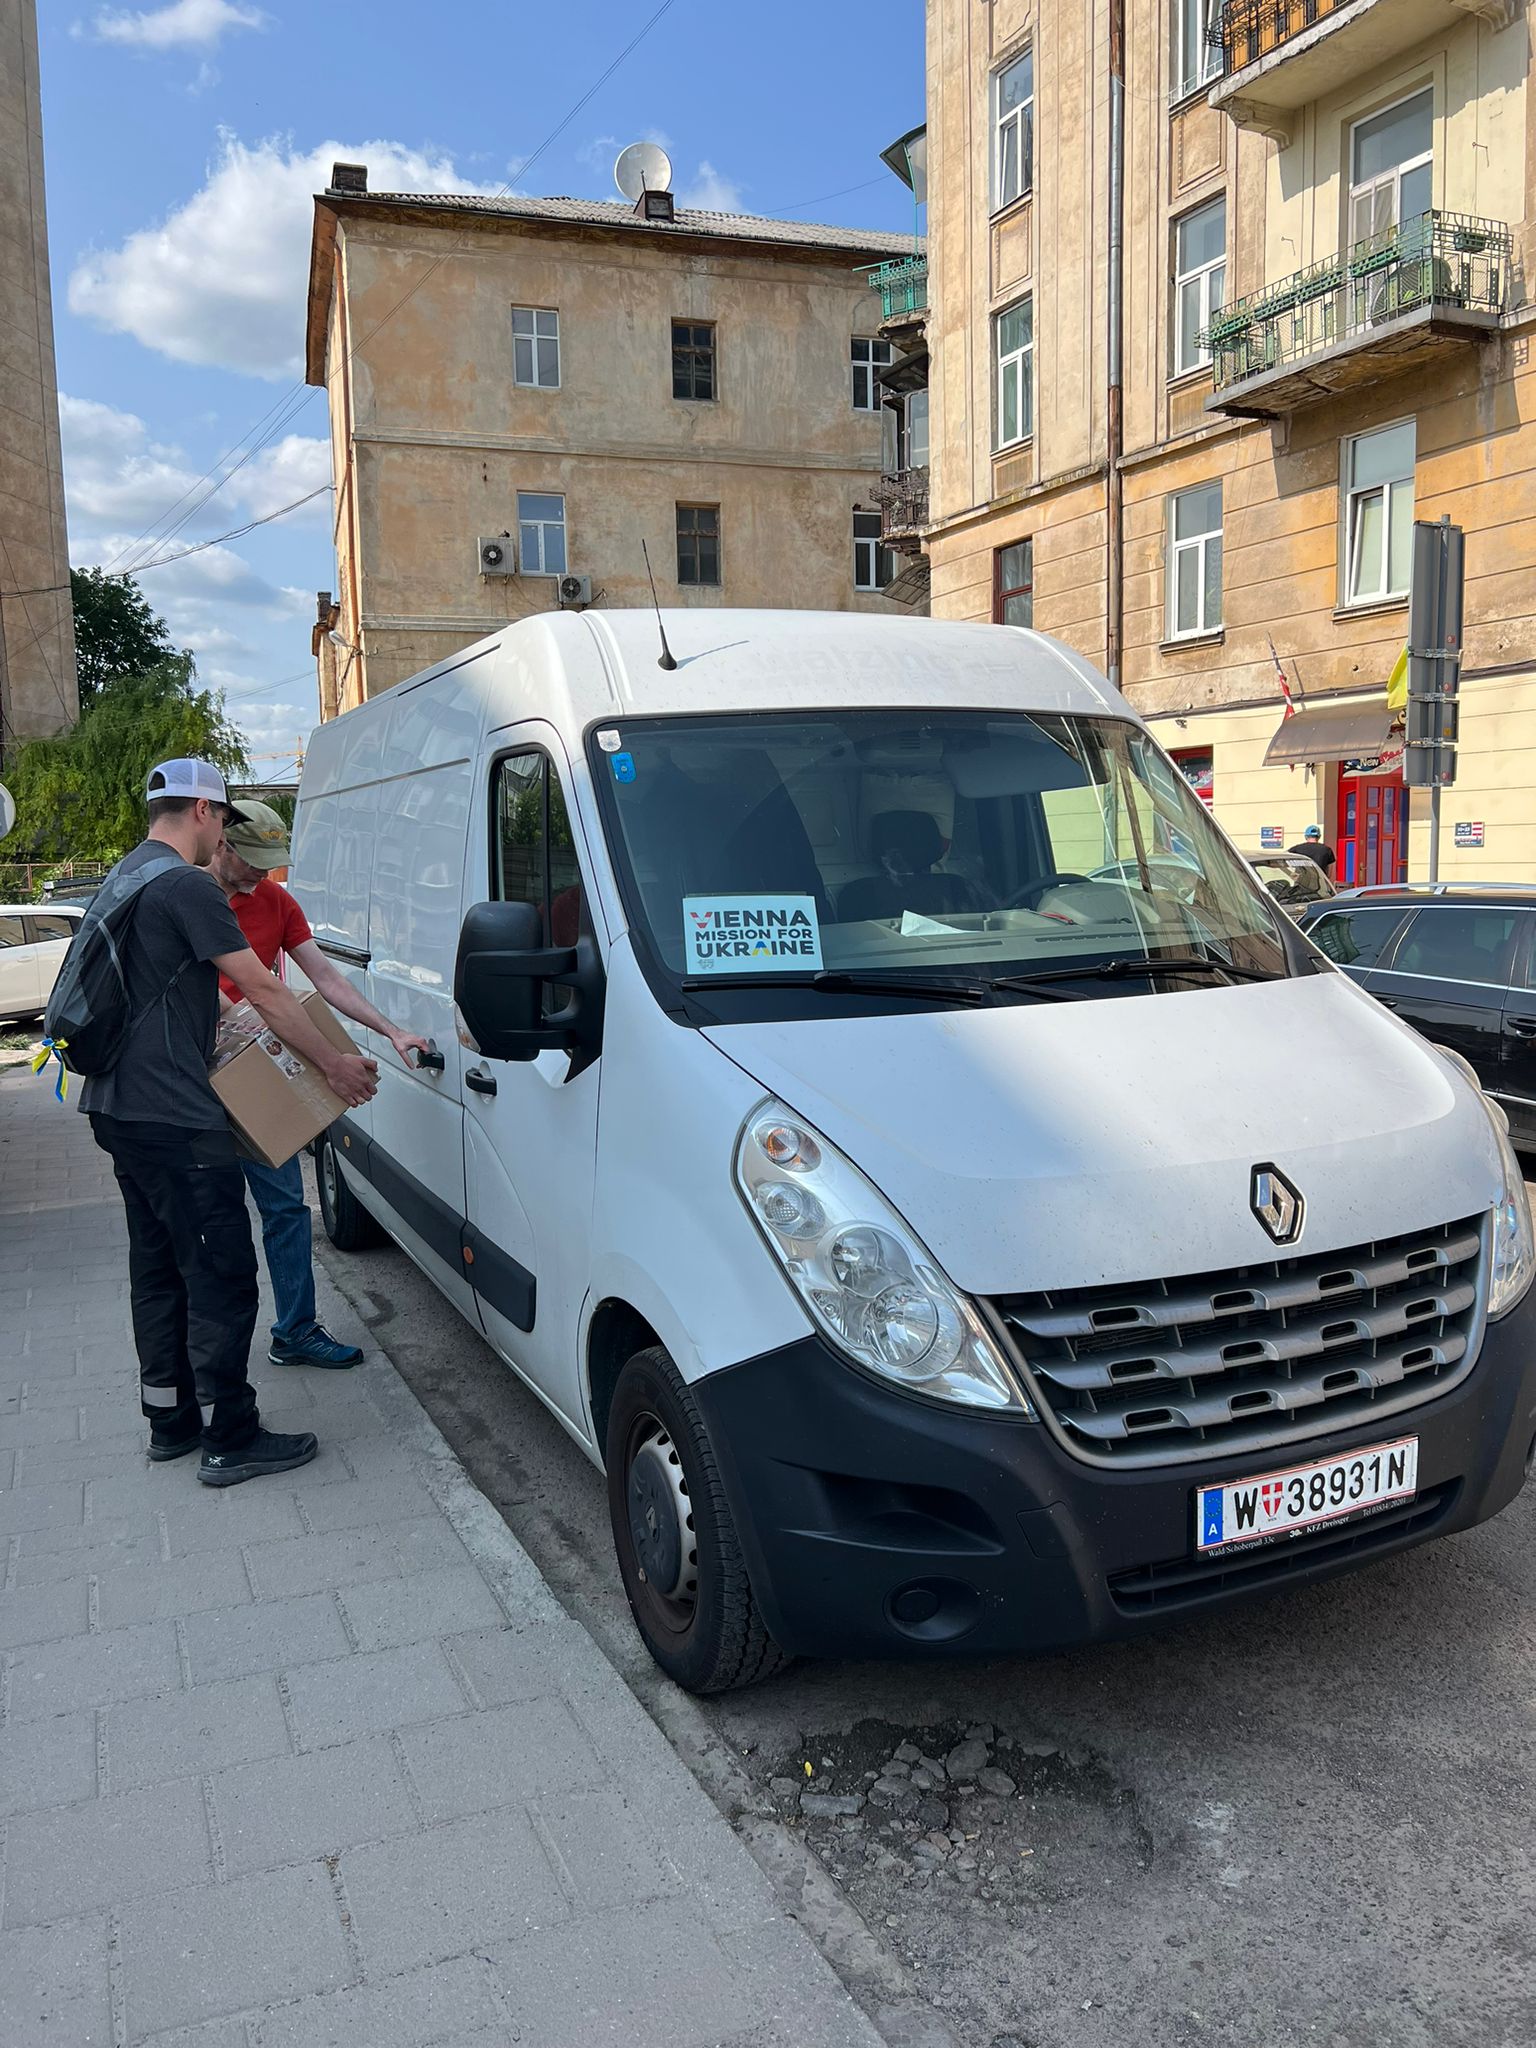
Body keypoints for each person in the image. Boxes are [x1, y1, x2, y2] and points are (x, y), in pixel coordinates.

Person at [84, 760, 378, 1486]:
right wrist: (333, 1067)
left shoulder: (127, 875)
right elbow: (266, 989)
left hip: (118, 1108)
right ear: (210, 816)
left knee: (157, 1270)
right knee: (220, 1272)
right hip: (179, 1117)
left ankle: (172, 1422)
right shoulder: (186, 884)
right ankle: (230, 1437)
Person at [210, 799, 429, 1368]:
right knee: (211, 1220)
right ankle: (210, 1352)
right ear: (222, 843)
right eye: (253, 859)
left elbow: (324, 976)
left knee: (285, 1207)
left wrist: (390, 1029)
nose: (263, 873)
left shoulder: (276, 902)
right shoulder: (189, 899)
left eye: (271, 861)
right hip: (197, 1082)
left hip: (262, 1077)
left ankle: (295, 1331)